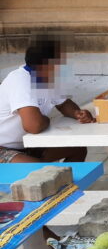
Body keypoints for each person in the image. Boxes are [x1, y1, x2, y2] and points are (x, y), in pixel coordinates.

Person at [0, 34, 93, 163]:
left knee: (77, 149)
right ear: (45, 65)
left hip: (29, 145)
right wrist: (46, 120)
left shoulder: (46, 79)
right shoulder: (20, 81)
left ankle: (67, 183)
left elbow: (64, 104)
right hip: (3, 148)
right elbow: (34, 126)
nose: (64, 65)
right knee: (39, 171)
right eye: (60, 61)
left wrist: (78, 114)